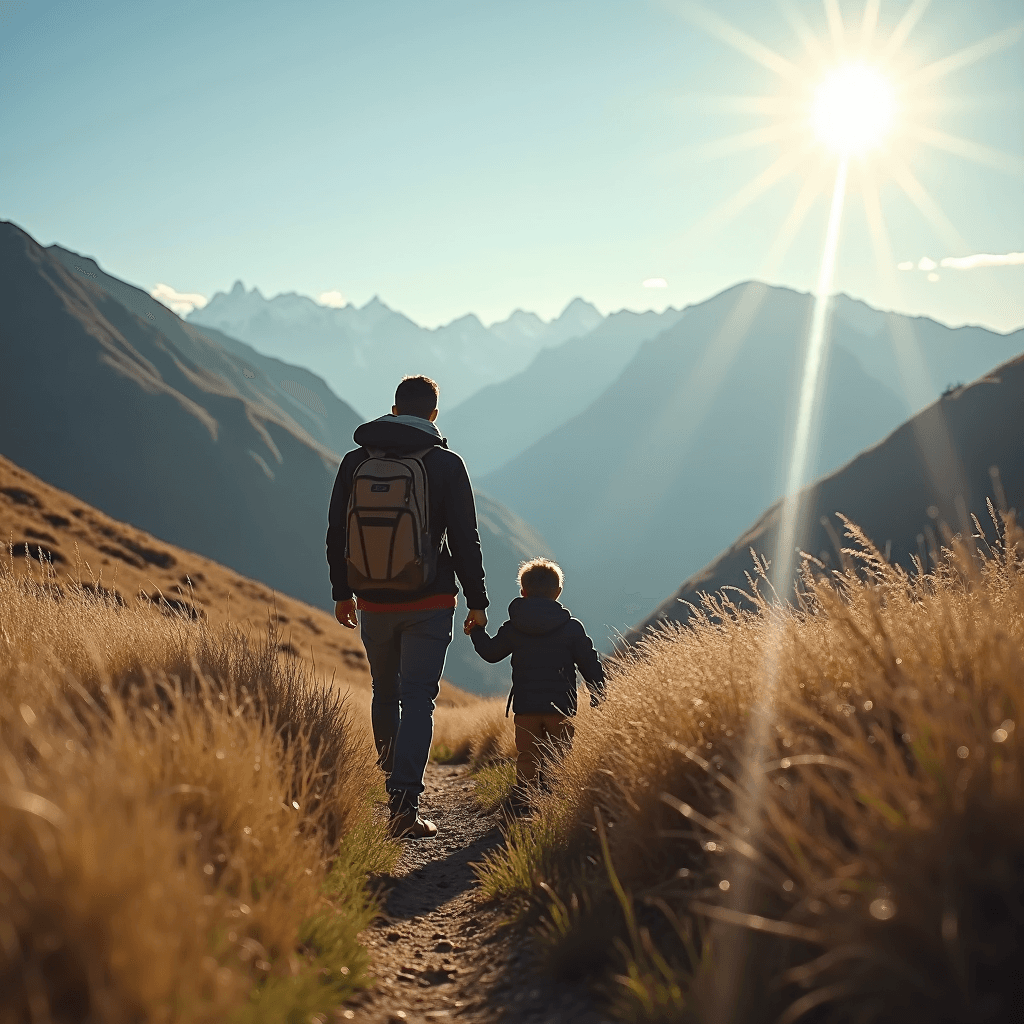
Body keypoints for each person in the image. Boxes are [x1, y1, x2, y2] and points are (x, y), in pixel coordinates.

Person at [327, 375, 488, 839]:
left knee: (384, 690)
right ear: (434, 415)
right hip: (430, 599)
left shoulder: (356, 461)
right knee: (418, 697)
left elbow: (337, 531)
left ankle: (390, 783)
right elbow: (464, 539)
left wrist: (342, 591)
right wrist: (477, 601)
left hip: (372, 598)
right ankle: (404, 805)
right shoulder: (445, 463)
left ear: (394, 410)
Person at [467, 558, 605, 813]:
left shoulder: (514, 627)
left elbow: (491, 653)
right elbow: (589, 661)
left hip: (527, 705)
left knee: (528, 755)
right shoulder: (572, 628)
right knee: (558, 755)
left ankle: (525, 802)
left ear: (523, 591)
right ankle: (553, 803)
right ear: (558, 592)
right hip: (561, 706)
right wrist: (598, 692)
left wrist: (476, 631)